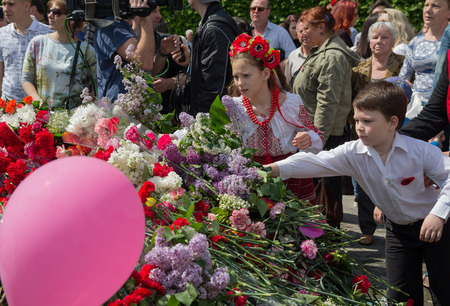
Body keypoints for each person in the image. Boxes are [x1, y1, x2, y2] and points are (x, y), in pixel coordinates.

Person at [267, 81, 450, 305]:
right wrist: (269, 171)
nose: (359, 127)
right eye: (356, 120)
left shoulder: (419, 151)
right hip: (398, 233)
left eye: (367, 121)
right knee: (400, 297)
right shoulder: (352, 153)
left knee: (444, 292)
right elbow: (313, 161)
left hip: (438, 229)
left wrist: (438, 214)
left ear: (393, 122)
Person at [224, 33, 323, 203]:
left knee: (295, 227)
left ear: (265, 74)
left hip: (290, 178)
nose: (240, 83)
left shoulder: (290, 103)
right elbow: (214, 134)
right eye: (236, 77)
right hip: (252, 181)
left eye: (246, 76)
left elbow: (315, 134)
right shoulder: (234, 107)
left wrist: (308, 138)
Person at [292, 6, 360, 226]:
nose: (303, 33)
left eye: (307, 28)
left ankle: (327, 243)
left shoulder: (331, 57)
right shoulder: (322, 50)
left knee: (324, 196)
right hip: (315, 135)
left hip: (323, 137)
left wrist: (317, 140)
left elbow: (327, 103)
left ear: (321, 28)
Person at [351, 21, 404, 244]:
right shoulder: (359, 69)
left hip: (394, 130)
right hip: (366, 132)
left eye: (384, 37)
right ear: (368, 40)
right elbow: (353, 100)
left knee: (395, 176)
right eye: (375, 37)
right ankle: (367, 228)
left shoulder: (402, 64)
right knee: (363, 179)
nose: (378, 42)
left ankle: (398, 221)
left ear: (393, 41)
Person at [21, 0, 96, 109]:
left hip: (74, 122)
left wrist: (84, 115)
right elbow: (26, 79)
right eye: (49, 11)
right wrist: (40, 103)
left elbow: (94, 88)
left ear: (71, 18)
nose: (50, 15)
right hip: (43, 117)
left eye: (56, 12)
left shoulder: (86, 50)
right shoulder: (38, 43)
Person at [185, 0, 241, 115]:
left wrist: (200, 119)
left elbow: (214, 85)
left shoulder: (214, 28)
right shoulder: (212, 23)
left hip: (216, 118)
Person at [94, 0, 155, 102]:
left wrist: (163, 53)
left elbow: (145, 70)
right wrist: (145, 17)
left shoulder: (121, 26)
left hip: (131, 109)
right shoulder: (110, 26)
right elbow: (145, 62)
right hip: (120, 113)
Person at [399, 0, 450, 107]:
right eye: (426, 5)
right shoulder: (415, 42)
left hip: (443, 105)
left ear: (448, 12)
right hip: (415, 106)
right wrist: (406, 85)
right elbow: (403, 77)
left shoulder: (448, 41)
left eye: (435, 6)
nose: (428, 10)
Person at [0, 0, 49, 101]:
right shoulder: (2, 34)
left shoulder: (48, 33)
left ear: (26, 6)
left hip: (39, 108)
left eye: (11, 4)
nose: (5, 9)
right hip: (8, 108)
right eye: (4, 4)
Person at [284, 19, 312, 85]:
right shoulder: (293, 56)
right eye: (301, 31)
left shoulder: (322, 54)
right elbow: (287, 85)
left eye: (307, 31)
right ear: (297, 33)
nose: (304, 34)